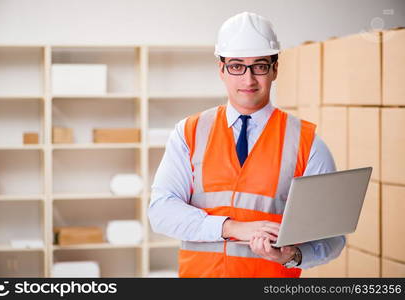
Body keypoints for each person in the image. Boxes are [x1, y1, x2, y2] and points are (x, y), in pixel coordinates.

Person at [148, 11, 345, 278]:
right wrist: (231, 227)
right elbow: (161, 211)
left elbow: (332, 237)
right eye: (237, 66)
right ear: (222, 69)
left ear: (275, 69)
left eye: (260, 66)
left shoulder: (308, 143)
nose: (248, 79)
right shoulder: (189, 132)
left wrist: (293, 255)